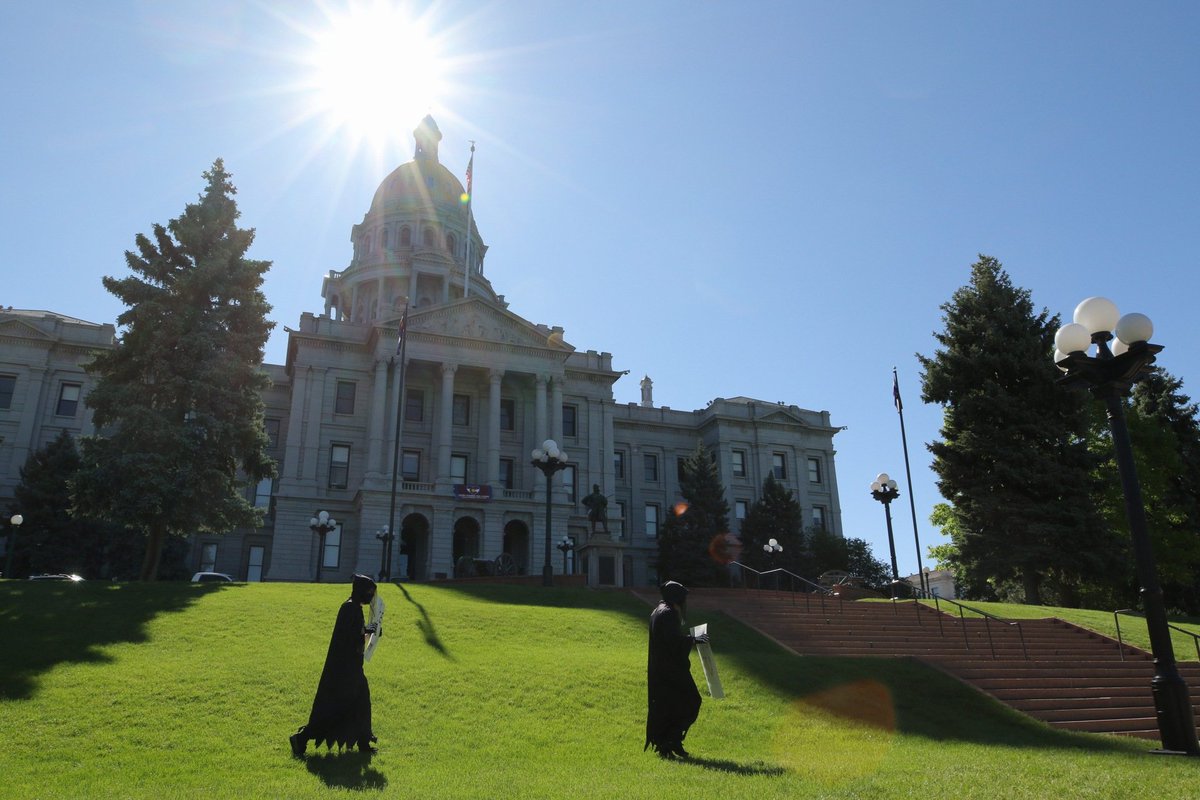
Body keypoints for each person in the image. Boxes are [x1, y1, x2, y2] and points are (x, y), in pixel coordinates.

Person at [291, 574, 380, 756]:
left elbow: (356, 636)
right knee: (333, 708)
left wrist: (369, 631)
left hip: (351, 668)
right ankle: (302, 737)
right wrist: (368, 631)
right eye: (369, 593)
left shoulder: (353, 608)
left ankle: (363, 742)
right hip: (343, 670)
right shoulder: (349, 609)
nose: (370, 597)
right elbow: (351, 639)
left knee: (359, 704)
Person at [644, 580, 708, 759]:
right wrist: (694, 640)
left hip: (661, 670)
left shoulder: (657, 612)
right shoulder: (669, 613)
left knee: (670, 706)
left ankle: (670, 741)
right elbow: (673, 643)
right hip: (671, 670)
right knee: (691, 701)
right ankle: (671, 740)